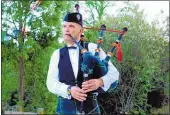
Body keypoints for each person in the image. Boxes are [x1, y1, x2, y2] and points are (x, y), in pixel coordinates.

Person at [46, 11, 119, 114]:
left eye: (71, 26)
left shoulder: (93, 48)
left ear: (81, 30)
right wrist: (69, 90)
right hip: (65, 109)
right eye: (64, 26)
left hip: (90, 109)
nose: (66, 29)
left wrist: (100, 81)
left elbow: (114, 73)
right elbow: (51, 83)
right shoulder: (57, 54)